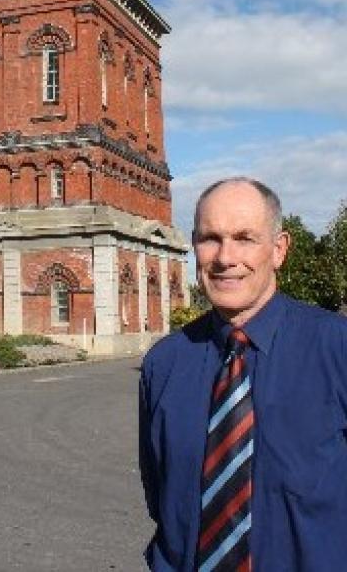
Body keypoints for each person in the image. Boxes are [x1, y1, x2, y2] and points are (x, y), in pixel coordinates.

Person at [139, 177, 347, 571]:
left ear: (279, 249)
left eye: (245, 238)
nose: (225, 257)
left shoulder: (336, 349)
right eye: (210, 238)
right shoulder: (165, 365)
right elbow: (161, 497)